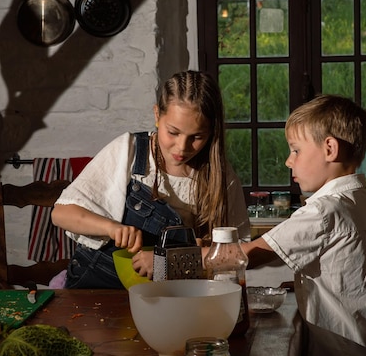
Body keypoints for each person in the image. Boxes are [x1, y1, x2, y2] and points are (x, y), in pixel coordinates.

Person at [238, 94, 366, 356]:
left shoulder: (323, 212)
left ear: (329, 149)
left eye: (296, 150)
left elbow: (248, 256)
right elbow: (354, 278)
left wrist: (183, 254)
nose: (289, 161)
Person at [51, 70, 250, 289]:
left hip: (171, 297)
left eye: (197, 137)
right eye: (173, 132)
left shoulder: (220, 176)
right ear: (157, 115)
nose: (182, 148)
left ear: (212, 132)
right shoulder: (130, 150)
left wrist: (192, 253)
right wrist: (112, 228)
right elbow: (61, 214)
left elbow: (239, 252)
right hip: (98, 289)